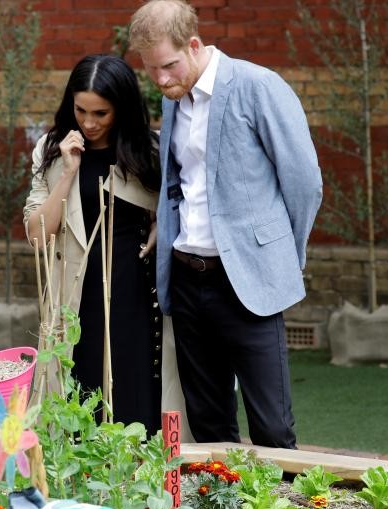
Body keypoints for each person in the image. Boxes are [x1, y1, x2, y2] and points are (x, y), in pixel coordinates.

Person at [128, 0, 323, 448]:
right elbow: (179, 183)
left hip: (247, 282)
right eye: (151, 69)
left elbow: (304, 184)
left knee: (273, 428)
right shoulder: (173, 95)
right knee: (209, 423)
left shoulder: (259, 86)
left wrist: (279, 257)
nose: (160, 79)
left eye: (169, 66)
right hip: (186, 277)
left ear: (194, 45)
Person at [24, 54, 163, 433]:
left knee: (133, 388)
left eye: (101, 113)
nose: (89, 122)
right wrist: (68, 173)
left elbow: (177, 209)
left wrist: (161, 226)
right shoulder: (51, 150)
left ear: (122, 108)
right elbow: (38, 235)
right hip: (73, 293)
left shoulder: (150, 151)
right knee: (79, 388)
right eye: (81, 110)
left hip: (134, 289)